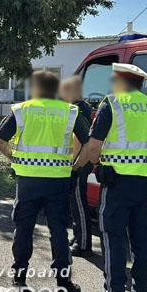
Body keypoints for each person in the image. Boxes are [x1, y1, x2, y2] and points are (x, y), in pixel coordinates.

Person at [74, 63, 147, 292]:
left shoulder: (113, 102)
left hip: (117, 183)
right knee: (141, 242)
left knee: (113, 239)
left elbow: (94, 146)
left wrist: (98, 164)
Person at [0, 71, 87, 292]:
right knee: (58, 232)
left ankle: (20, 278)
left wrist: (15, 158)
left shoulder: (22, 110)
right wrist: (75, 166)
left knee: (24, 229)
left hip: (28, 181)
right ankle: (64, 283)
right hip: (58, 181)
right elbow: (88, 142)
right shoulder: (69, 111)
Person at [60, 76, 94, 257]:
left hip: (80, 161)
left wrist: (75, 163)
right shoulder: (81, 107)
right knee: (74, 201)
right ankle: (78, 236)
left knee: (79, 202)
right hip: (80, 160)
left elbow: (81, 139)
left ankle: (84, 243)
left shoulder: (79, 109)